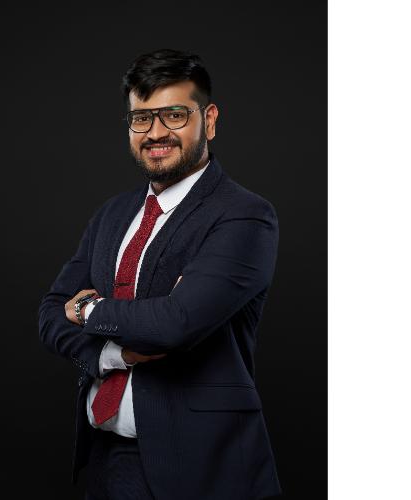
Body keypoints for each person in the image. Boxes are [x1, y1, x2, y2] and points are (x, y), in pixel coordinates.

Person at [38, 48, 282, 500]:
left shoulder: (243, 216)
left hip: (197, 465)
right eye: (141, 118)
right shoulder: (112, 215)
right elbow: (51, 313)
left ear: (209, 119)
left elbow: (176, 323)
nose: (155, 133)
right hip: (103, 456)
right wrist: (114, 355)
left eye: (174, 115)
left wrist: (88, 309)